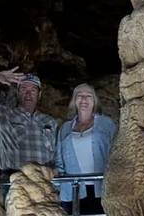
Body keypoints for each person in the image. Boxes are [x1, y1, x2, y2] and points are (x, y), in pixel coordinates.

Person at [0, 67, 58, 175]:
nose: (28, 94)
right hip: (13, 181)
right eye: (24, 89)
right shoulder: (5, 114)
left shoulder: (50, 122)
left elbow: (56, 155)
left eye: (33, 90)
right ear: (18, 93)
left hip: (44, 181)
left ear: (39, 95)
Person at [55, 83, 116, 215]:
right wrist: (59, 187)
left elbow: (116, 152)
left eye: (88, 96)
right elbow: (59, 160)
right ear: (74, 100)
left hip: (102, 187)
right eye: (79, 95)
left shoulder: (106, 124)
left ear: (94, 101)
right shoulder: (65, 128)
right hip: (72, 189)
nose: (84, 99)